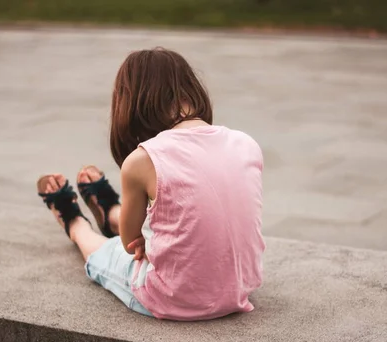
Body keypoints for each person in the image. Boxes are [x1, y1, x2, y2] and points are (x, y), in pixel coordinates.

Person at [37, 48, 265, 321]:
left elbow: (130, 243)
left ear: (130, 102)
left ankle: (75, 224)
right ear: (191, 89)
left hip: (175, 298)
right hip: (241, 287)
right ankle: (111, 212)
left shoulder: (143, 160)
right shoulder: (245, 143)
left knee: (105, 253)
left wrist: (140, 241)